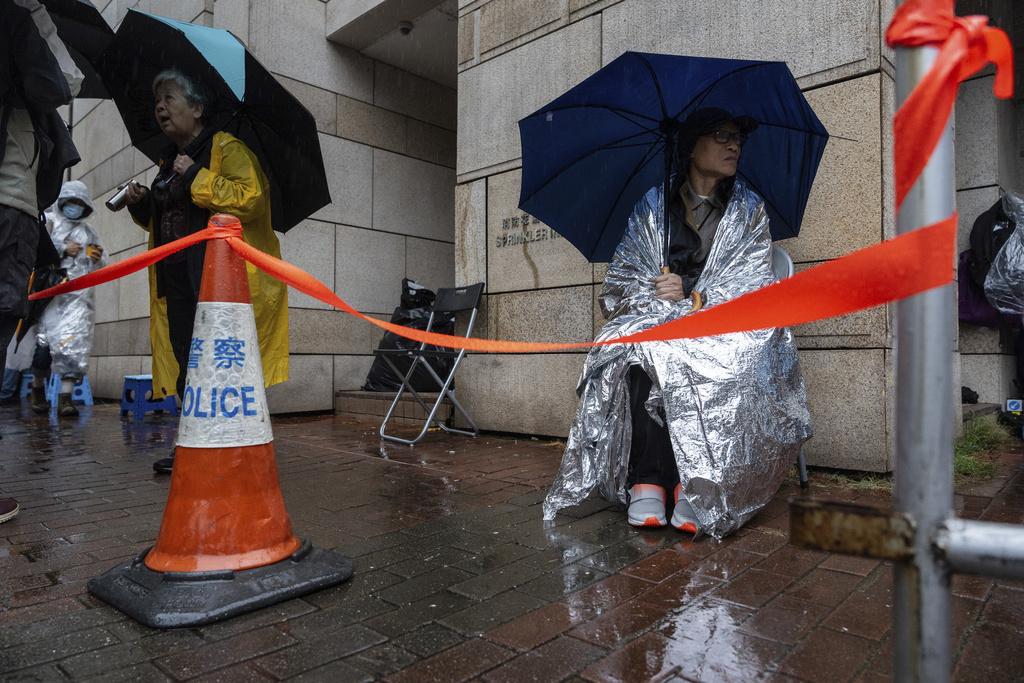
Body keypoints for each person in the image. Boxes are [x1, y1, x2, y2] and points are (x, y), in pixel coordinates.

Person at [543, 108, 812, 540]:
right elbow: (621, 280)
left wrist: (695, 296)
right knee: (635, 346)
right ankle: (649, 480)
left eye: (737, 138)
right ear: (691, 147)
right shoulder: (653, 206)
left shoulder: (748, 210)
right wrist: (653, 291)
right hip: (663, 322)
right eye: (722, 136)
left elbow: (755, 281)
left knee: (689, 351)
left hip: (729, 326)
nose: (733, 145)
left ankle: (698, 483)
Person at [122, 69, 288, 473]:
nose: (160, 106)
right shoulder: (166, 159)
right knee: (186, 360)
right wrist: (142, 203)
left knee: (221, 364)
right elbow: (167, 221)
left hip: (218, 282)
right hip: (176, 277)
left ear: (197, 108)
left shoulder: (225, 148)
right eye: (157, 99)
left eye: (170, 98)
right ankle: (192, 446)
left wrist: (194, 173)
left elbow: (249, 201)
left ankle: (232, 448)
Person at [1, 0, 84, 523]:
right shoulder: (18, 20)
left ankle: (60, 398)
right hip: (12, 220)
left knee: (51, 353)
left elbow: (88, 254)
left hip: (67, 296)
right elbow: (63, 81)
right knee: (29, 347)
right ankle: (42, 395)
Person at [28, 180, 105, 416]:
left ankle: (65, 398)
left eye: (79, 203)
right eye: (71, 202)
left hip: (78, 300)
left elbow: (102, 262)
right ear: (63, 202)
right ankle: (37, 388)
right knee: (43, 348)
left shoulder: (89, 232)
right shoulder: (49, 224)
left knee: (74, 349)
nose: (74, 207)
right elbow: (36, 251)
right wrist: (62, 249)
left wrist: (96, 257)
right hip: (51, 297)